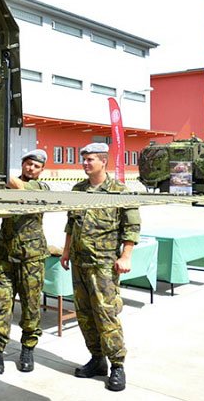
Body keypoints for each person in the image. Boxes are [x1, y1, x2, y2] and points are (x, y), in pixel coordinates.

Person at [60, 143, 140, 392]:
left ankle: (117, 365)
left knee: (106, 315)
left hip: (103, 264)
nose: (85, 163)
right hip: (79, 261)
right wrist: (65, 250)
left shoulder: (119, 191)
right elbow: (71, 224)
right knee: (84, 314)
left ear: (103, 161)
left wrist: (126, 256)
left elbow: (132, 227)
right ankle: (97, 360)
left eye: (90, 159)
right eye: (83, 159)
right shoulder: (78, 189)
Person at [0, 149, 50, 375]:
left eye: (36, 166)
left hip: (31, 258)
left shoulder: (41, 188)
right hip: (5, 255)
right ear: (22, 164)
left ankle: (28, 349)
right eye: (28, 164)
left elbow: (21, 188)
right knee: (1, 305)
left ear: (42, 170)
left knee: (31, 306)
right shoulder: (8, 187)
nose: (31, 168)